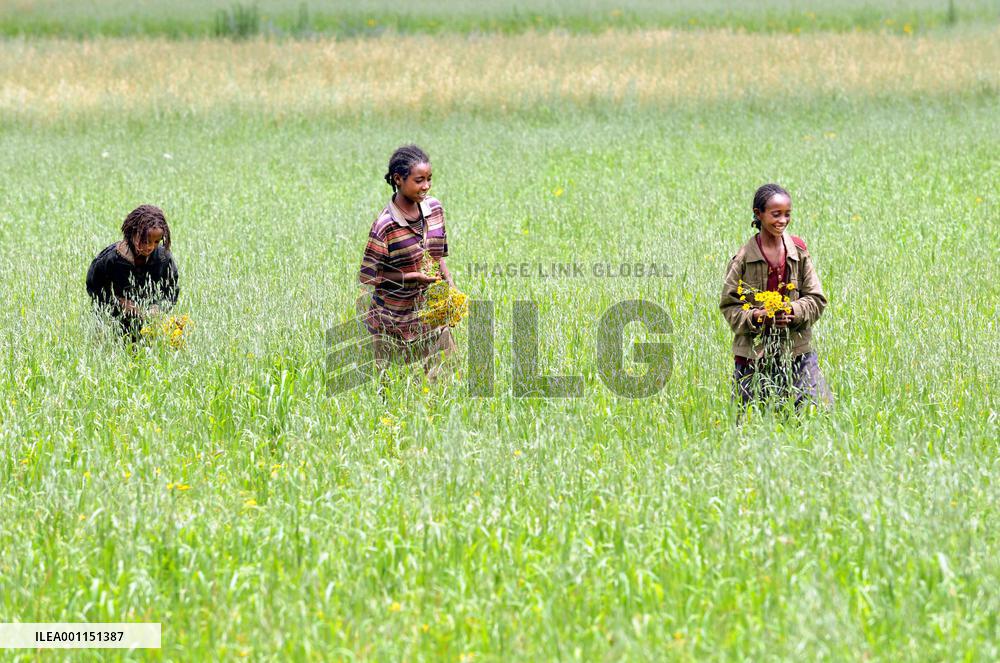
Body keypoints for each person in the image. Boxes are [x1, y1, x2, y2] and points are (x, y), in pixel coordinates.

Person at [720, 184, 832, 409]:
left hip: (797, 351)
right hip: (753, 354)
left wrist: (793, 312)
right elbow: (729, 307)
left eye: (787, 214)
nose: (782, 220)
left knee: (818, 411)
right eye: (775, 214)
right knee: (747, 417)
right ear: (758, 214)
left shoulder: (798, 253)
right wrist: (759, 317)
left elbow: (816, 299)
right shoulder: (742, 259)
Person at [358, 145, 456, 379]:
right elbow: (368, 275)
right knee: (394, 389)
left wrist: (450, 286)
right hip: (393, 322)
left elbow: (438, 255)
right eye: (419, 180)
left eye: (429, 179)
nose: (426, 186)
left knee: (442, 381)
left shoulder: (435, 209)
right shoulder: (385, 225)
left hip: (430, 313)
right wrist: (409, 277)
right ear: (398, 179)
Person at [86, 204, 179, 339]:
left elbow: (171, 290)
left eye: (156, 241)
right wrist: (119, 303)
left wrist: (158, 308)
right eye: (145, 241)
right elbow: (94, 287)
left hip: (149, 326)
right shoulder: (110, 259)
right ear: (132, 233)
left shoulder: (163, 258)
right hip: (113, 324)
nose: (150, 247)